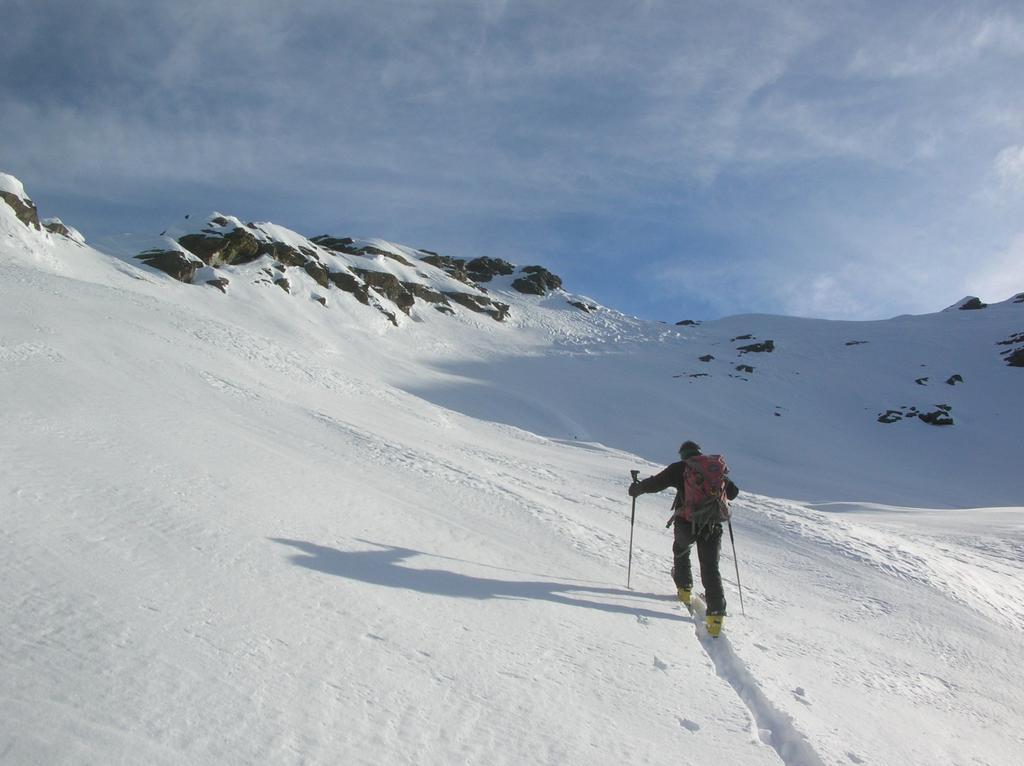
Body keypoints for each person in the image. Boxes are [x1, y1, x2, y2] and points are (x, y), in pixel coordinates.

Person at [628, 440, 739, 635]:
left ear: (683, 455)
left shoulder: (680, 468)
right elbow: (733, 492)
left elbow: (656, 483)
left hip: (686, 523)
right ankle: (715, 617)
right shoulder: (713, 469)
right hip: (712, 525)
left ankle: (685, 589)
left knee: (681, 550)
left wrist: (637, 488)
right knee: (711, 567)